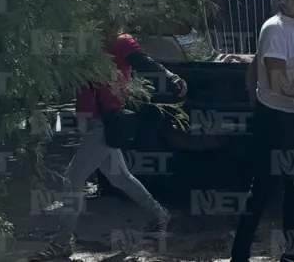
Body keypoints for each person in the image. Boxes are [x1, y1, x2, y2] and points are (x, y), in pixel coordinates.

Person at [30, 28, 188, 262]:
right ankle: (159, 214)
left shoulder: (121, 41)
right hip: (92, 120)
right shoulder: (89, 43)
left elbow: (144, 62)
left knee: (72, 179)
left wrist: (171, 77)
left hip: (104, 123)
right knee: (120, 177)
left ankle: (62, 242)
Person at [231, 0, 294, 262]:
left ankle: (293, 254)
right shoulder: (275, 28)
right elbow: (278, 83)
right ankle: (240, 255)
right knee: (264, 189)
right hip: (275, 120)